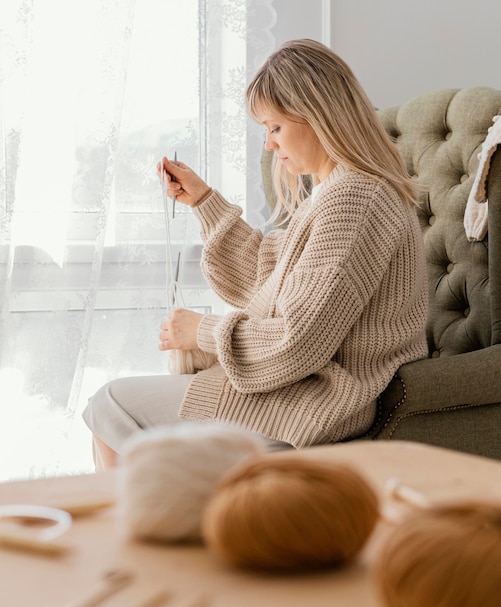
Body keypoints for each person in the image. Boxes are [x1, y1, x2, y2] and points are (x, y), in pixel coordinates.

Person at [83, 38, 428, 470]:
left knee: (109, 406)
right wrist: (204, 201)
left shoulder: (353, 199)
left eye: (275, 127)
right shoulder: (337, 193)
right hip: (300, 393)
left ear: (319, 115)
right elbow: (268, 274)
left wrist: (202, 333)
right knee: (116, 410)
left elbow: (297, 342)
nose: (268, 145)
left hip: (312, 406)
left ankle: (140, 534)